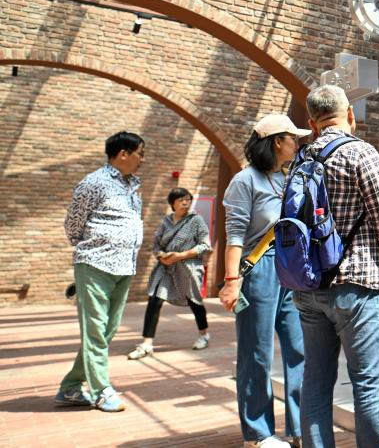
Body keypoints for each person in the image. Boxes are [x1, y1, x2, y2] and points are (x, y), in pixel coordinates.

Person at [292, 84, 379, 448]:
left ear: (312, 122)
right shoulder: (360, 152)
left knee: (315, 383)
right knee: (369, 383)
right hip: (356, 283)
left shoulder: (301, 158)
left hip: (308, 287)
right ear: (350, 114)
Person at [220, 114, 311, 448]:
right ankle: (257, 435)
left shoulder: (288, 178)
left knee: (299, 349)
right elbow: (234, 235)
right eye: (293, 138)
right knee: (256, 352)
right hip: (258, 269)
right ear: (277, 141)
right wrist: (232, 280)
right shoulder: (245, 181)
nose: (298, 143)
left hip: (291, 268)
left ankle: (301, 427)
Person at [55, 131, 145, 413]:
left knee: (108, 329)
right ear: (123, 153)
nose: (142, 159)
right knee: (95, 329)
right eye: (140, 153)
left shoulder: (133, 187)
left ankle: (70, 387)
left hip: (124, 265)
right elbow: (73, 224)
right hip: (95, 263)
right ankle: (101, 390)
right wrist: (92, 248)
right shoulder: (94, 182)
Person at [127, 188, 212, 361]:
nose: (185, 202)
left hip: (188, 267)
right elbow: (156, 245)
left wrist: (181, 255)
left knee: (194, 301)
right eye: (181, 200)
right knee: (154, 300)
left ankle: (204, 334)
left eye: (188, 199)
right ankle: (147, 344)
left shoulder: (196, 220)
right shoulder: (166, 222)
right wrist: (161, 257)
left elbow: (205, 245)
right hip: (166, 268)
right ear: (172, 203)